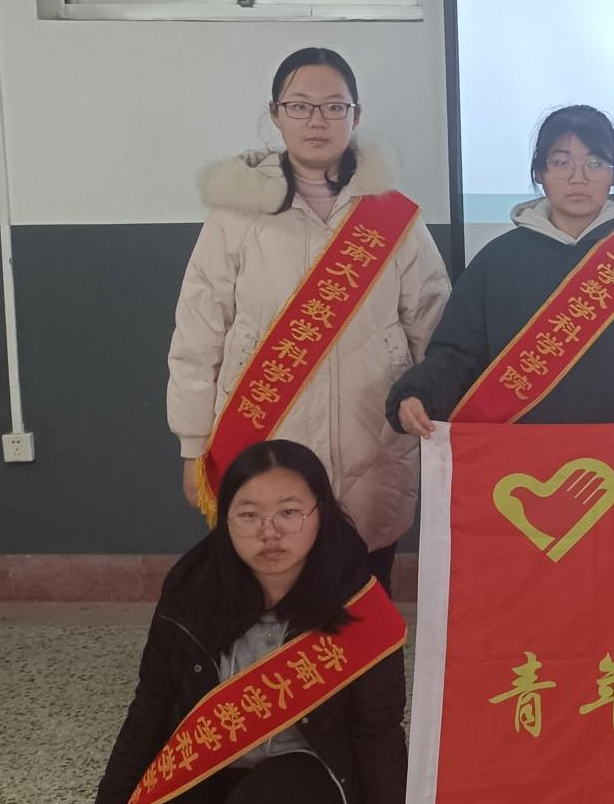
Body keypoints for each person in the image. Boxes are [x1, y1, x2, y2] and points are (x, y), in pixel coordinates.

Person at [92, 440, 407, 804]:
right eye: (249, 515)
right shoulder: (192, 591)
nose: (270, 533)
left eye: (289, 512)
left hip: (312, 773)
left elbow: (378, 734)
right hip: (214, 766)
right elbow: (151, 703)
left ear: (320, 514)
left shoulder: (359, 605)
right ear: (225, 520)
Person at [168, 47, 450, 592]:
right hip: (265, 437)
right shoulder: (235, 217)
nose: (317, 121)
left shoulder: (394, 216)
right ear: (275, 114)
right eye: (300, 106)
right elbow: (198, 339)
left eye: (334, 107)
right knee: (271, 605)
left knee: (365, 601)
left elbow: (433, 328)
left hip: (373, 441)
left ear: (356, 115)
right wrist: (193, 444)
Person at [389, 104, 614, 434]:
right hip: (519, 451)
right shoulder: (497, 261)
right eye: (561, 162)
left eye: (595, 163)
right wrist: (419, 393)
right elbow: (457, 353)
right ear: (538, 173)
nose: (578, 178)